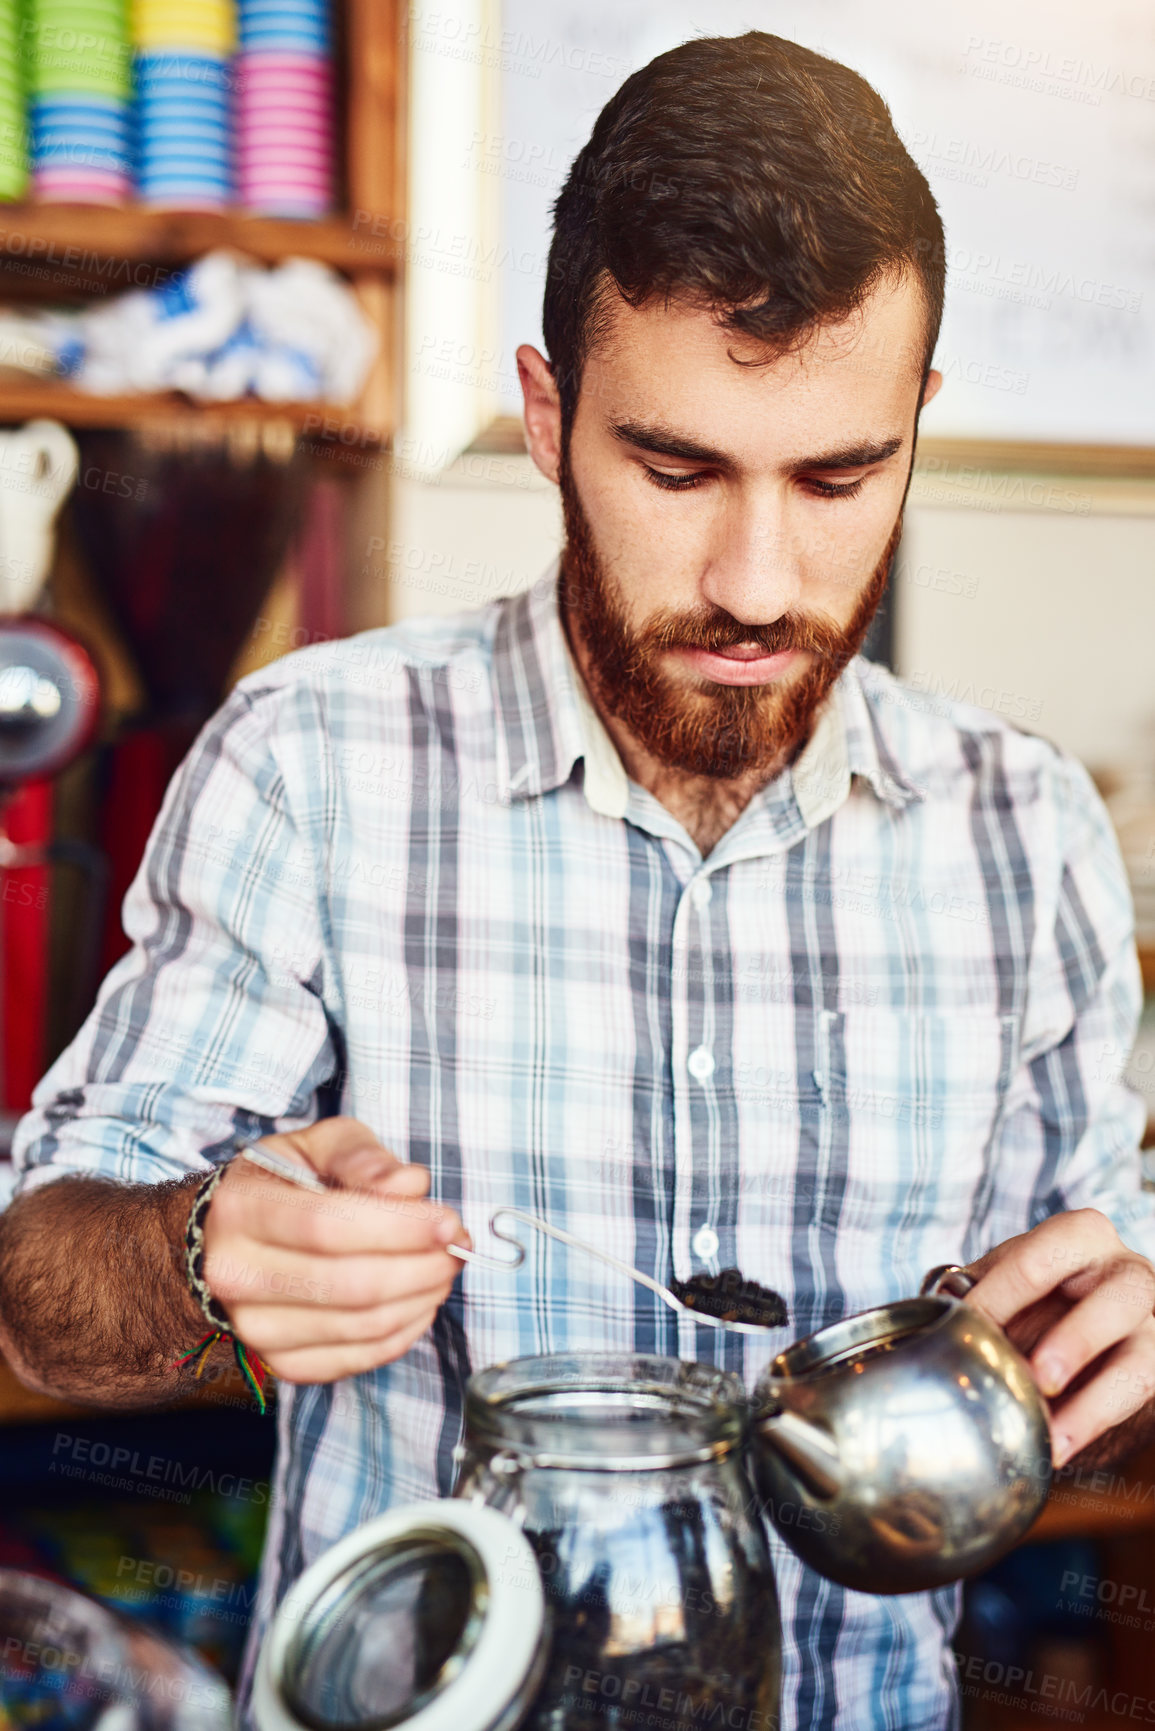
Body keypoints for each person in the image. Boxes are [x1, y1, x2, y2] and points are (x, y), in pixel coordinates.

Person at [2, 30, 1153, 1731]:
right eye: (676, 469)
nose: (758, 580)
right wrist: (198, 1256)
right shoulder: (314, 759)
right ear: (548, 417)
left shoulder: (1026, 825)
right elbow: (41, 1291)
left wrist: (1125, 1360)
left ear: (915, 422)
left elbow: (1102, 1380)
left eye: (838, 478)